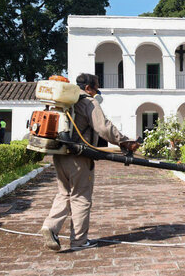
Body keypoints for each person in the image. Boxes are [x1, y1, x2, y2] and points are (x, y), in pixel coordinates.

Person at [40, 73, 139, 251]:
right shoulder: (88, 102)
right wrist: (125, 141)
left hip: (60, 153)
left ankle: (50, 226)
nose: (97, 91)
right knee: (80, 197)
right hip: (79, 157)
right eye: (96, 87)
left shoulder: (65, 101)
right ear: (87, 88)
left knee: (64, 194)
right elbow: (103, 127)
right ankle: (79, 241)